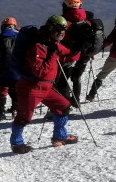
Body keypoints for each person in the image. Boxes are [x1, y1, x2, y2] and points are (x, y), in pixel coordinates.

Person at [9, 15, 78, 154]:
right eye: (59, 30)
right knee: (24, 117)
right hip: (31, 87)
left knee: (63, 106)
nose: (62, 33)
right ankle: (16, 143)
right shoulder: (37, 46)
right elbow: (39, 71)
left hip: (46, 87)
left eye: (64, 30)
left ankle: (60, 135)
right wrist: (53, 54)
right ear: (51, 28)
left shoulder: (52, 42)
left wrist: (77, 49)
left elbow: (65, 52)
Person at [0, 17, 19, 122]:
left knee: (2, 92)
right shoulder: (18, 37)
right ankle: (16, 110)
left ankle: (0, 113)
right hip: (16, 71)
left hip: (3, 70)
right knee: (16, 91)